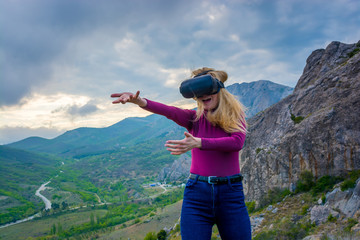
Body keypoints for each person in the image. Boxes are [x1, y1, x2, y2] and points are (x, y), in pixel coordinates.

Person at [111, 67, 251, 240]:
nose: (201, 97)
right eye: (197, 94)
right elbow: (169, 111)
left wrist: (200, 142)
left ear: (219, 90)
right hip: (197, 196)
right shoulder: (194, 118)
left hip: (231, 195)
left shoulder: (236, 116)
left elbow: (237, 142)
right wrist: (140, 101)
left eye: (206, 91)